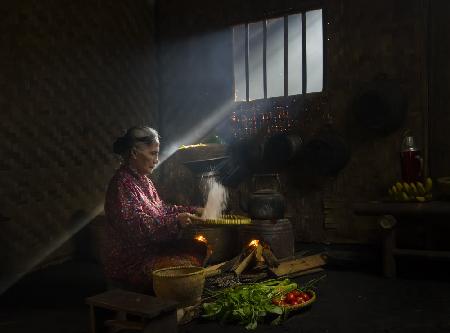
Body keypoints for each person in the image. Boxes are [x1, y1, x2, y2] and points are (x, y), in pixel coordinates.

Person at [101, 126, 206, 292]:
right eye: (152, 153)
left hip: (152, 251)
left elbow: (162, 210)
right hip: (131, 260)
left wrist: (193, 210)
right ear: (134, 153)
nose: (156, 160)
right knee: (187, 265)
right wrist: (175, 222)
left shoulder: (144, 181)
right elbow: (136, 226)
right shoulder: (121, 184)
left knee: (200, 248)